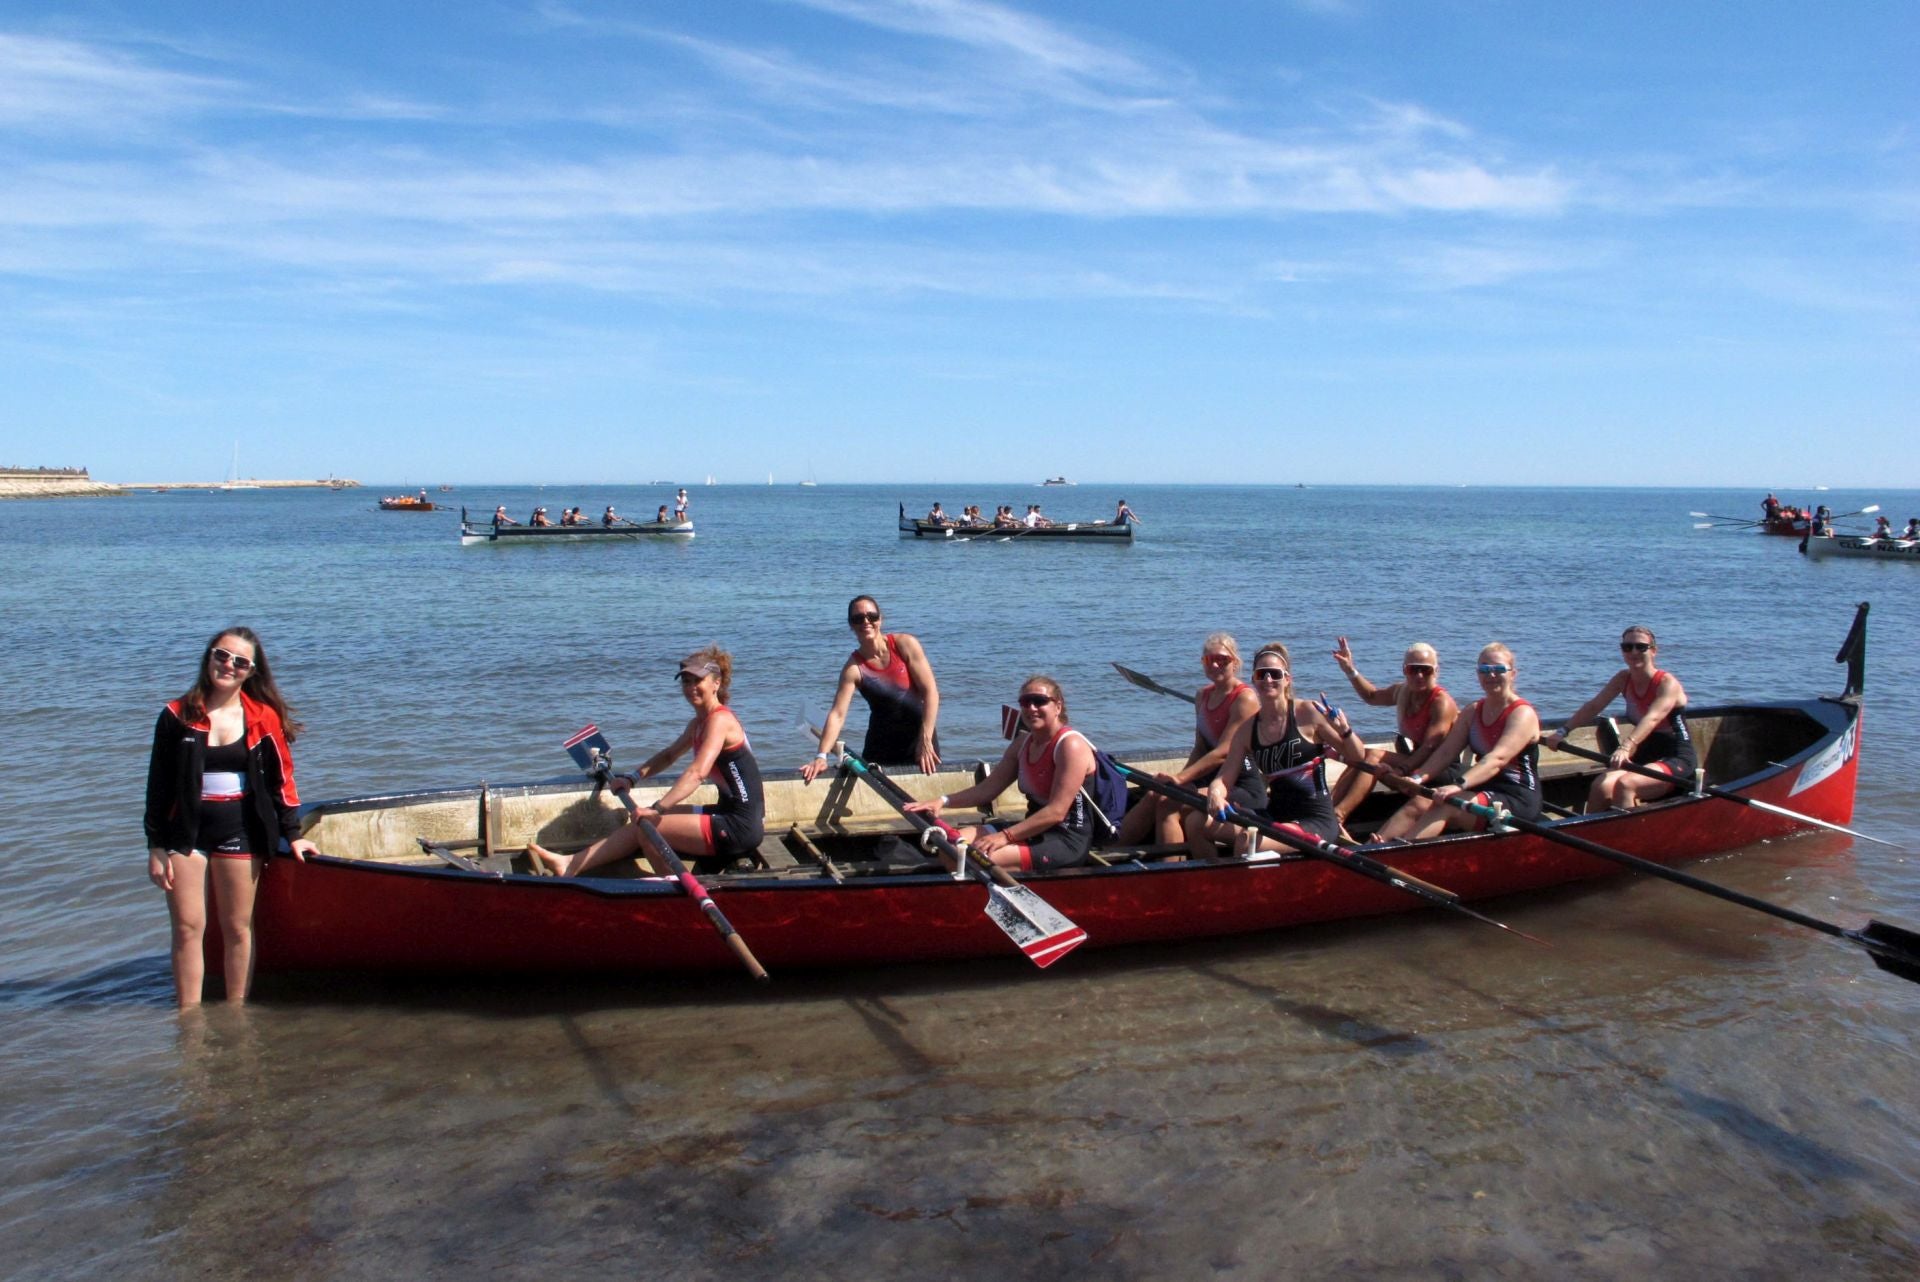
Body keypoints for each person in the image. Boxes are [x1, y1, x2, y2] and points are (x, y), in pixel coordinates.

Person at [144, 628, 318, 1008]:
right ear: (209, 657)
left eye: (240, 662)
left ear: (251, 671)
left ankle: (236, 1012)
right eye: (222, 655)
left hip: (240, 828)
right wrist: (155, 845)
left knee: (237, 928)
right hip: (185, 833)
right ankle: (188, 1018)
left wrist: (293, 833)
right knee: (188, 928)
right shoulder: (176, 715)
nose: (228, 665)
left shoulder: (263, 717)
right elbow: (158, 786)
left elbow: (282, 780)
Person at [528, 647, 764, 878]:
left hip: (740, 826)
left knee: (648, 828)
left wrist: (657, 809)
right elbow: (669, 756)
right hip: (725, 813)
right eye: (686, 682)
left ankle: (672, 885)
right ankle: (570, 864)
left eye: (697, 681)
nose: (691, 687)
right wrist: (632, 778)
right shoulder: (698, 724)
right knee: (642, 822)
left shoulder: (720, 721)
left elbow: (697, 773)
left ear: (716, 683)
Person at [904, 676, 1095, 871]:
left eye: (1039, 701)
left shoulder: (1070, 746)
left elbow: (1056, 812)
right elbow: (987, 790)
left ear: (1058, 706)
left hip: (1065, 839)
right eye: (1025, 702)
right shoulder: (1022, 744)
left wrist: (1005, 837)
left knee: (963, 859)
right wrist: (942, 801)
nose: (1031, 708)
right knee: (950, 849)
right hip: (1031, 828)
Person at [1203, 643, 1365, 850]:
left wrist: (1345, 730)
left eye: (1275, 674)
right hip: (1276, 816)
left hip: (1315, 821)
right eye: (1261, 674)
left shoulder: (1308, 713)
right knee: (1203, 824)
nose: (1268, 680)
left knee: (1247, 841)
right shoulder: (1247, 730)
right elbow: (1224, 778)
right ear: (1253, 679)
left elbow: (1357, 756)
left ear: (1287, 679)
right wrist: (1216, 793)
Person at [1373, 643, 1541, 841]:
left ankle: (1401, 853)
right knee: (1421, 801)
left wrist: (1457, 786)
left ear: (1513, 674)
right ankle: (1374, 846)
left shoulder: (1522, 713)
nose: (1491, 675)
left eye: (1498, 669)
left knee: (1445, 805)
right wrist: (1417, 779)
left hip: (1517, 798)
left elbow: (1497, 759)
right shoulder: (1473, 711)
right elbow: (1445, 753)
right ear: (1478, 674)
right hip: (1483, 788)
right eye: (1484, 669)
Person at [1112, 633, 1262, 850]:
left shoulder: (1244, 698)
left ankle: (1173, 866)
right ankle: (1109, 850)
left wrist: (1179, 778)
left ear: (1235, 662)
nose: (1216, 664)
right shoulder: (1202, 696)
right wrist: (1176, 781)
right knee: (1155, 794)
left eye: (1223, 659)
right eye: (1209, 659)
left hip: (1238, 784)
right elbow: (1200, 748)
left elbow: (1222, 752)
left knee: (1167, 803)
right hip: (1207, 779)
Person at [1543, 627, 1695, 812]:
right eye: (1627, 647)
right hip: (1645, 752)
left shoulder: (1667, 683)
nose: (1634, 652)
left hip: (1676, 756)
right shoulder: (1623, 678)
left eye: (1641, 647)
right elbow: (1594, 706)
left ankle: (1630, 830)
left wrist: (1626, 747)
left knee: (1626, 784)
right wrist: (1562, 731)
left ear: (1654, 651)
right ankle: (1591, 828)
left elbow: (1652, 718)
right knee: (1601, 785)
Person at [800, 596, 942, 781]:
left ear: (880, 619)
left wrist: (925, 740)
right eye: (858, 618)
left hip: (920, 740)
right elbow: (838, 714)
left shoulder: (905, 645)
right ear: (851, 625)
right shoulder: (853, 668)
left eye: (871, 616)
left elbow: (930, 693)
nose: (866, 622)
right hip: (881, 745)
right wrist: (821, 756)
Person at [1327, 638, 1460, 832]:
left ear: (1436, 671)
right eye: (1413, 669)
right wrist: (1350, 670)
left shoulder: (1441, 703)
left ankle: (1339, 815)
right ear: (1404, 670)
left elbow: (1429, 747)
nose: (1419, 675)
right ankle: (1328, 812)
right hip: (1414, 763)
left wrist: (1401, 770)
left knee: (1373, 756)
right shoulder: (1402, 691)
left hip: (1439, 771)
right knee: (1361, 754)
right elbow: (1372, 696)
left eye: (1426, 670)